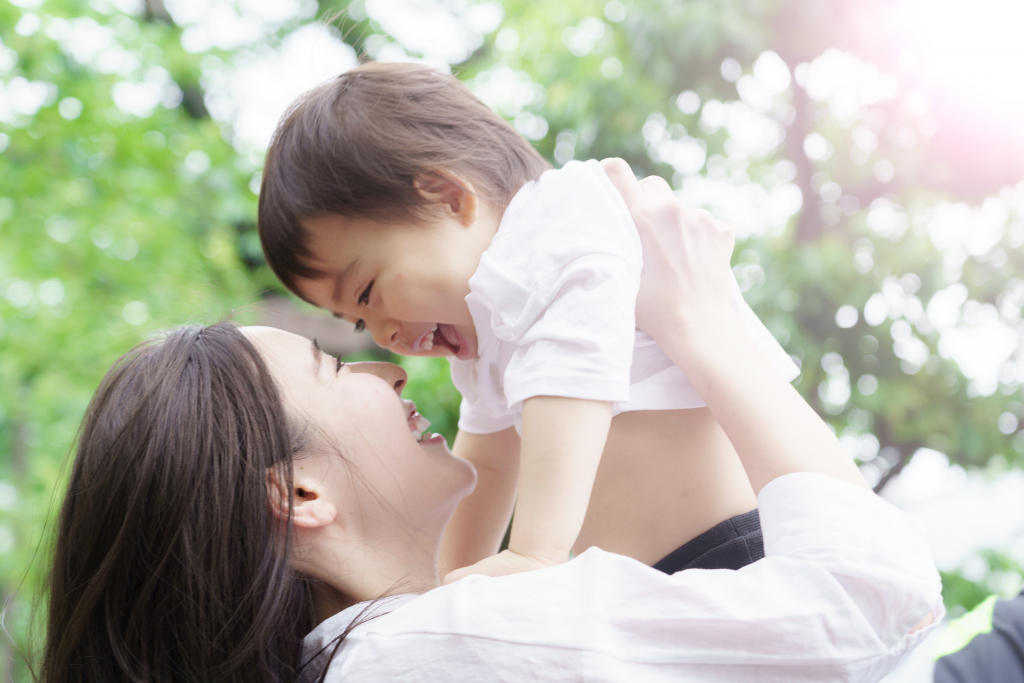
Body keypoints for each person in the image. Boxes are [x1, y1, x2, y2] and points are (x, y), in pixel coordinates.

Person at [41, 159, 942, 683]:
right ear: (300, 491)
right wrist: (704, 325)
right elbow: (876, 601)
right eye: (336, 359)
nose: (391, 361)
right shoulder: (425, 655)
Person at [257, 61, 798, 584]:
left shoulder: (560, 219)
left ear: (450, 198)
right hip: (652, 584)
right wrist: (437, 587)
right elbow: (488, 467)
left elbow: (573, 373)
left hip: (739, 549)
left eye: (368, 293)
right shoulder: (486, 322)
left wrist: (535, 551)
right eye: (356, 322)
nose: (383, 336)